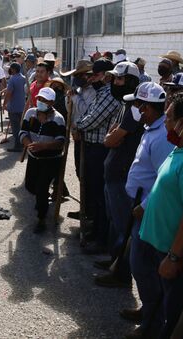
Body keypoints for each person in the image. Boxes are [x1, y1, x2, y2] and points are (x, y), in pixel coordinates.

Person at [113, 82, 173, 338]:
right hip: (138, 205)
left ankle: (153, 321)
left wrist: (144, 205)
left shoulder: (161, 137)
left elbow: (163, 178)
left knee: (142, 265)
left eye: (138, 105)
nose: (135, 109)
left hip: (147, 210)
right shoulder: (151, 129)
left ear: (147, 107)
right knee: (139, 264)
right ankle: (149, 311)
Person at [133, 90, 183, 339]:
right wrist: (145, 207)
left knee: (176, 320)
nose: (165, 122)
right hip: (158, 245)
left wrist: (174, 257)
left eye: (168, 118)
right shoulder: (180, 148)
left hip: (174, 256)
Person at [91, 62, 141, 288]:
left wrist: (112, 136)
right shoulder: (123, 105)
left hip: (122, 176)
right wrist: (112, 136)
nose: (114, 83)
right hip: (112, 173)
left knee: (122, 225)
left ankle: (121, 273)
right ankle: (114, 261)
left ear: (130, 81)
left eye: (118, 80)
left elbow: (112, 138)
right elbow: (112, 133)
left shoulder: (133, 109)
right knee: (113, 220)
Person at [76, 58, 121, 251]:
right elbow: (88, 114)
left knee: (101, 196)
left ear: (106, 75)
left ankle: (102, 239)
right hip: (92, 146)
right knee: (94, 192)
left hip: (100, 149)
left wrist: (78, 126)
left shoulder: (110, 95)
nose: (92, 78)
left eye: (95, 75)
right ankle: (95, 231)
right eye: (91, 75)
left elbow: (92, 119)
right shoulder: (101, 92)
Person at [20, 87, 66, 233]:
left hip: (51, 159)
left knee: (41, 187)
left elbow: (60, 142)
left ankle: (41, 218)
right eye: (39, 99)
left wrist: (44, 146)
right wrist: (29, 145)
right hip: (34, 157)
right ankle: (42, 200)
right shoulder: (30, 113)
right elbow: (22, 133)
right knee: (30, 185)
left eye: (44, 100)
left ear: (51, 102)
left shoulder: (58, 119)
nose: (40, 102)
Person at [61, 60, 95, 180]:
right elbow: (71, 111)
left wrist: (75, 97)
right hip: (76, 134)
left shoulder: (92, 92)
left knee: (86, 171)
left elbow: (85, 111)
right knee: (78, 169)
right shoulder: (79, 90)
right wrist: (69, 98)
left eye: (79, 75)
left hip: (87, 136)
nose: (76, 78)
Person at [2, 63, 26, 152]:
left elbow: (9, 93)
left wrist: (4, 104)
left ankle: (18, 146)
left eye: (11, 69)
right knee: (21, 127)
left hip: (14, 107)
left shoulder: (13, 79)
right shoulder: (24, 78)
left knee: (15, 128)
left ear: (13, 69)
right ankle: (22, 143)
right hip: (22, 106)